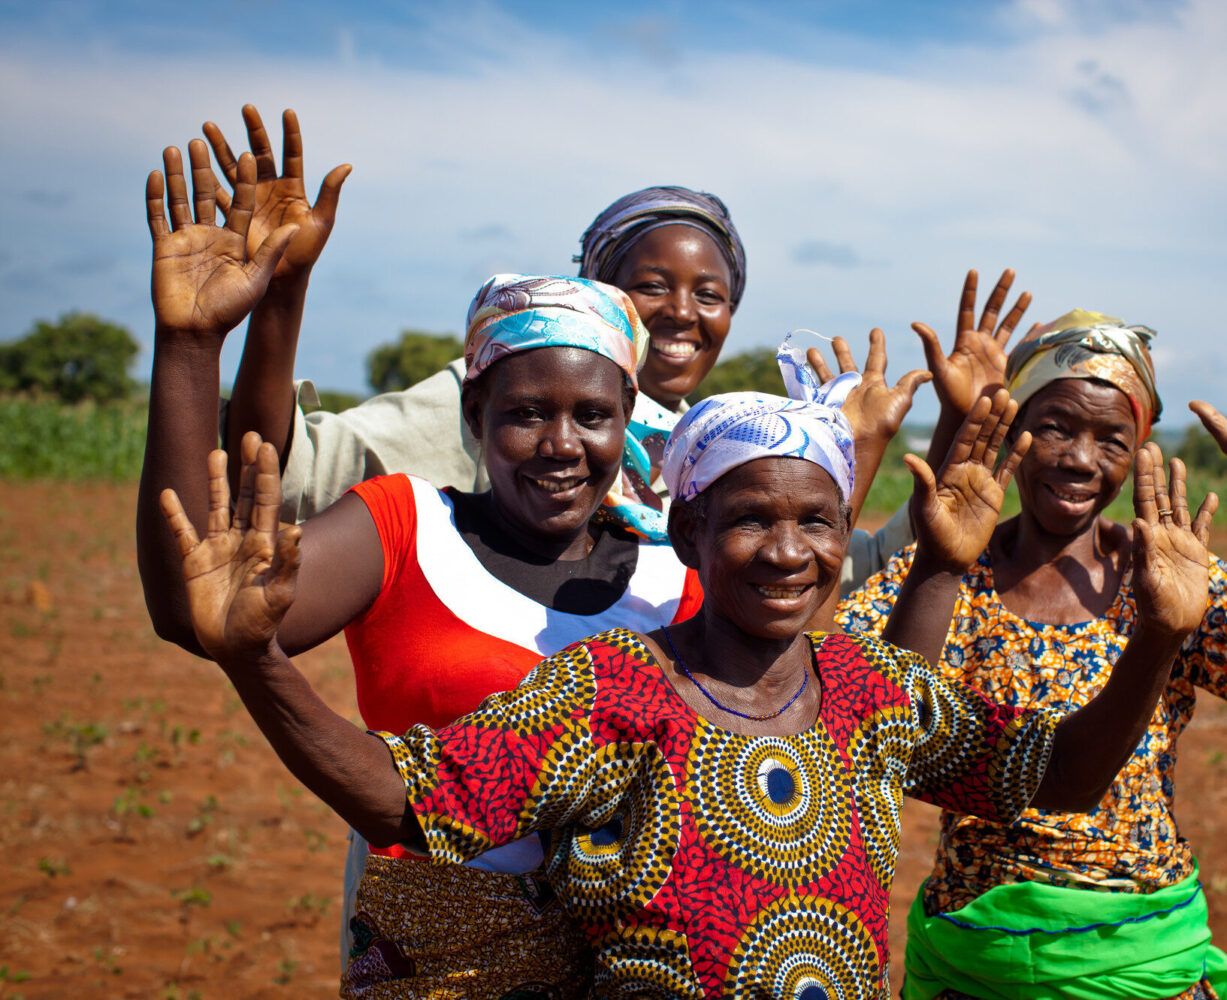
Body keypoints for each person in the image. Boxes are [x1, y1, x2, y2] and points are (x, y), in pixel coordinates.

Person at [159, 323, 1212, 997]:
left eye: (818, 523)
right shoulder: (616, 687)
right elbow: (406, 801)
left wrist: (1159, 636)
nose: (790, 550)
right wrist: (256, 661)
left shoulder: (865, 690)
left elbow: (1060, 777)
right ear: (690, 530)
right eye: (753, 521)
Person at [134, 140, 713, 995]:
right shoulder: (403, 528)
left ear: (627, 413)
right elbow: (199, 610)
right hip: (437, 964)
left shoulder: (679, 580)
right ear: (474, 411)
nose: (560, 446)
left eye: (591, 415)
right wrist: (188, 345)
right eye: (524, 414)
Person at [201, 106, 935, 579]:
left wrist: (899, 444)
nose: (682, 314)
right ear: (596, 290)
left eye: (710, 295)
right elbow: (282, 475)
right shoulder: (509, 401)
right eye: (651, 286)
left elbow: (818, 581)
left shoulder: (704, 445)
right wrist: (276, 300)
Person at [839, 309, 1227, 998]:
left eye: (1112, 437)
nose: (1080, 459)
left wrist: (1169, 623)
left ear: (1139, 447)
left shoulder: (1168, 577)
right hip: (974, 956)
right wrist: (934, 568)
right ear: (1012, 426)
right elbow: (864, 716)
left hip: (1138, 958)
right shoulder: (949, 571)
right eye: (1054, 426)